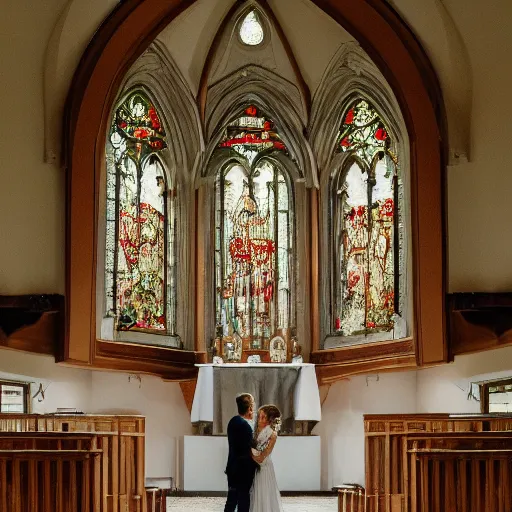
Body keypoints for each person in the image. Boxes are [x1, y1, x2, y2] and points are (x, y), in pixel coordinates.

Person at [224, 393, 258, 512]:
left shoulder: (233, 421)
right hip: (243, 469)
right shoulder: (246, 426)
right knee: (243, 500)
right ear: (250, 408)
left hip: (232, 467)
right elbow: (251, 448)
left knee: (232, 500)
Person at [250, 404, 284, 512]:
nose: (260, 420)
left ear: (270, 420)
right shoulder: (254, 431)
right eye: (259, 416)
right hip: (254, 467)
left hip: (264, 468)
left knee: (264, 495)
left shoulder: (272, 435)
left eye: (263, 417)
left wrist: (247, 452)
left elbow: (261, 458)